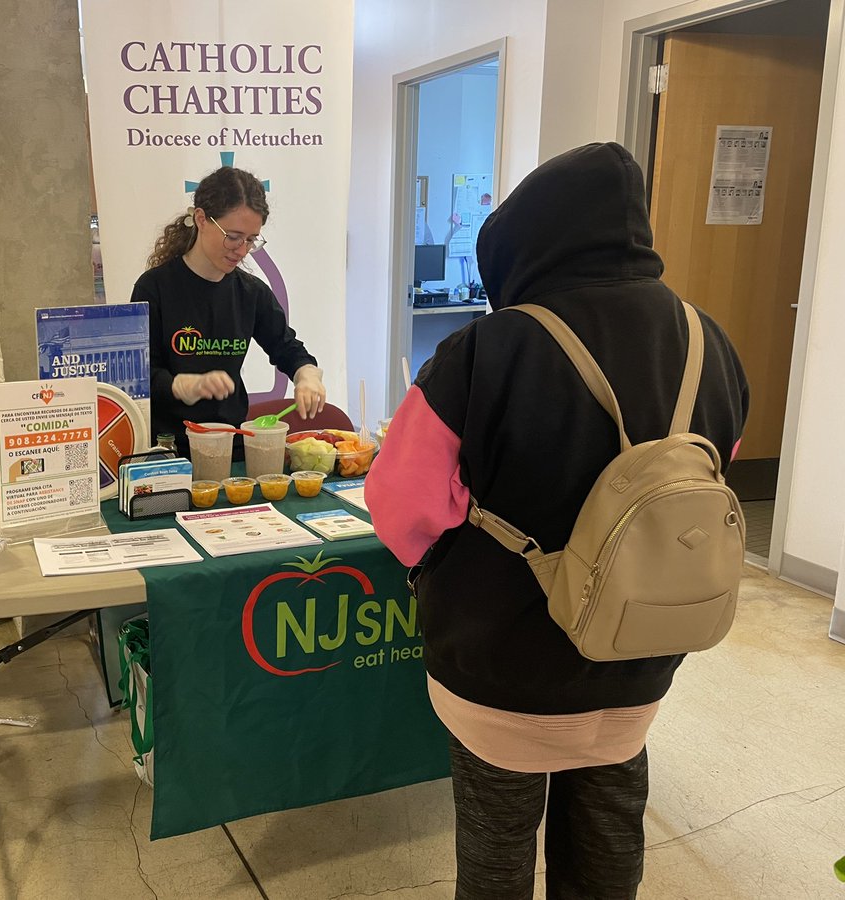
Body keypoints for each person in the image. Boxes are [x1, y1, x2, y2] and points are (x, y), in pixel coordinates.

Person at [366, 143, 749, 899]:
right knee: (610, 829)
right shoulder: (714, 345)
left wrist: (434, 560)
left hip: (501, 669)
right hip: (641, 657)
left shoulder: (487, 350)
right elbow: (707, 483)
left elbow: (399, 506)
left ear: (522, 244)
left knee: (498, 848)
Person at [131, 166, 325, 450]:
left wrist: (306, 374)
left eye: (251, 239)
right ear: (201, 219)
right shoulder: (154, 288)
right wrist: (180, 386)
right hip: (168, 448)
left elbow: (287, 348)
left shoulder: (251, 293)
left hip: (230, 445)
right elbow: (138, 375)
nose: (242, 249)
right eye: (233, 236)